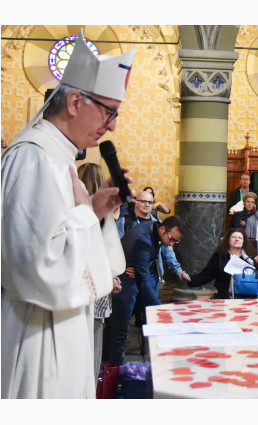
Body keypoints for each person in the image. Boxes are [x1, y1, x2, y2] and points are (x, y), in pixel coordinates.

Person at [1, 30, 132, 398]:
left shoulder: (59, 157)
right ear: (75, 101)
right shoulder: (35, 158)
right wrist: (86, 216)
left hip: (61, 327)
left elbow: (58, 232)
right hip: (38, 336)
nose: (112, 126)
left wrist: (95, 210)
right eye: (109, 112)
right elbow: (39, 268)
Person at [104, 216, 185, 365]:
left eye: (176, 241)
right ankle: (114, 375)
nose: (171, 244)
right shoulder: (144, 240)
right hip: (123, 284)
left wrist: (142, 267)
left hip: (128, 277)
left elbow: (143, 265)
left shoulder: (153, 226)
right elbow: (144, 278)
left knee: (116, 330)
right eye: (171, 239)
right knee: (119, 332)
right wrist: (159, 310)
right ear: (162, 229)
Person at [77, 163, 123, 380]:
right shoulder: (99, 211)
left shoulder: (74, 207)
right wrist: (110, 277)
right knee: (93, 343)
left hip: (80, 286)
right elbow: (105, 251)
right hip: (95, 287)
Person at [188, 228, 258, 299]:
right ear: (228, 240)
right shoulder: (219, 256)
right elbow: (208, 274)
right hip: (224, 296)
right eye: (233, 237)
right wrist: (190, 279)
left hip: (248, 297)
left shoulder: (251, 257)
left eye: (240, 238)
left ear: (243, 242)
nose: (237, 239)